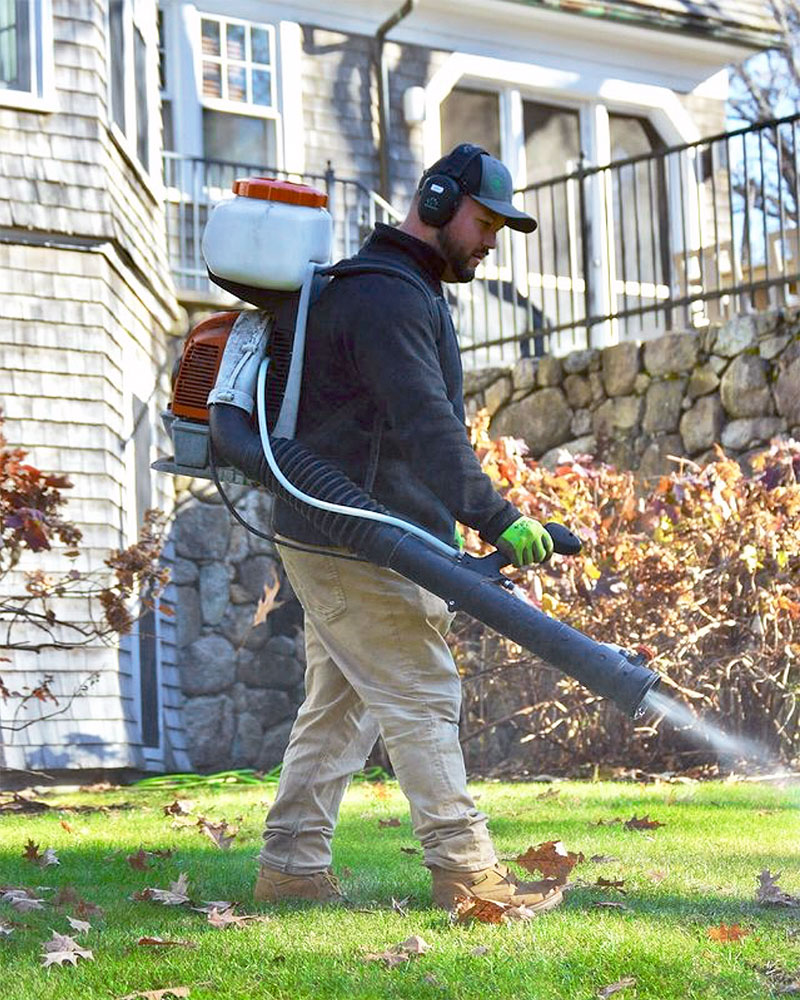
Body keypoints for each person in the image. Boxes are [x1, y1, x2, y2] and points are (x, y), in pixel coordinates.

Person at [254, 144, 562, 912]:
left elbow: (406, 431)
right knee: (423, 691)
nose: (491, 241)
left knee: (339, 704)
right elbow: (426, 425)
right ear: (435, 202)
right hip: (355, 533)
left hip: (337, 527)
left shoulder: (386, 290)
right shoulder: (388, 298)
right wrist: (498, 515)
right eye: (485, 221)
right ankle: (469, 875)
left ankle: (290, 869)